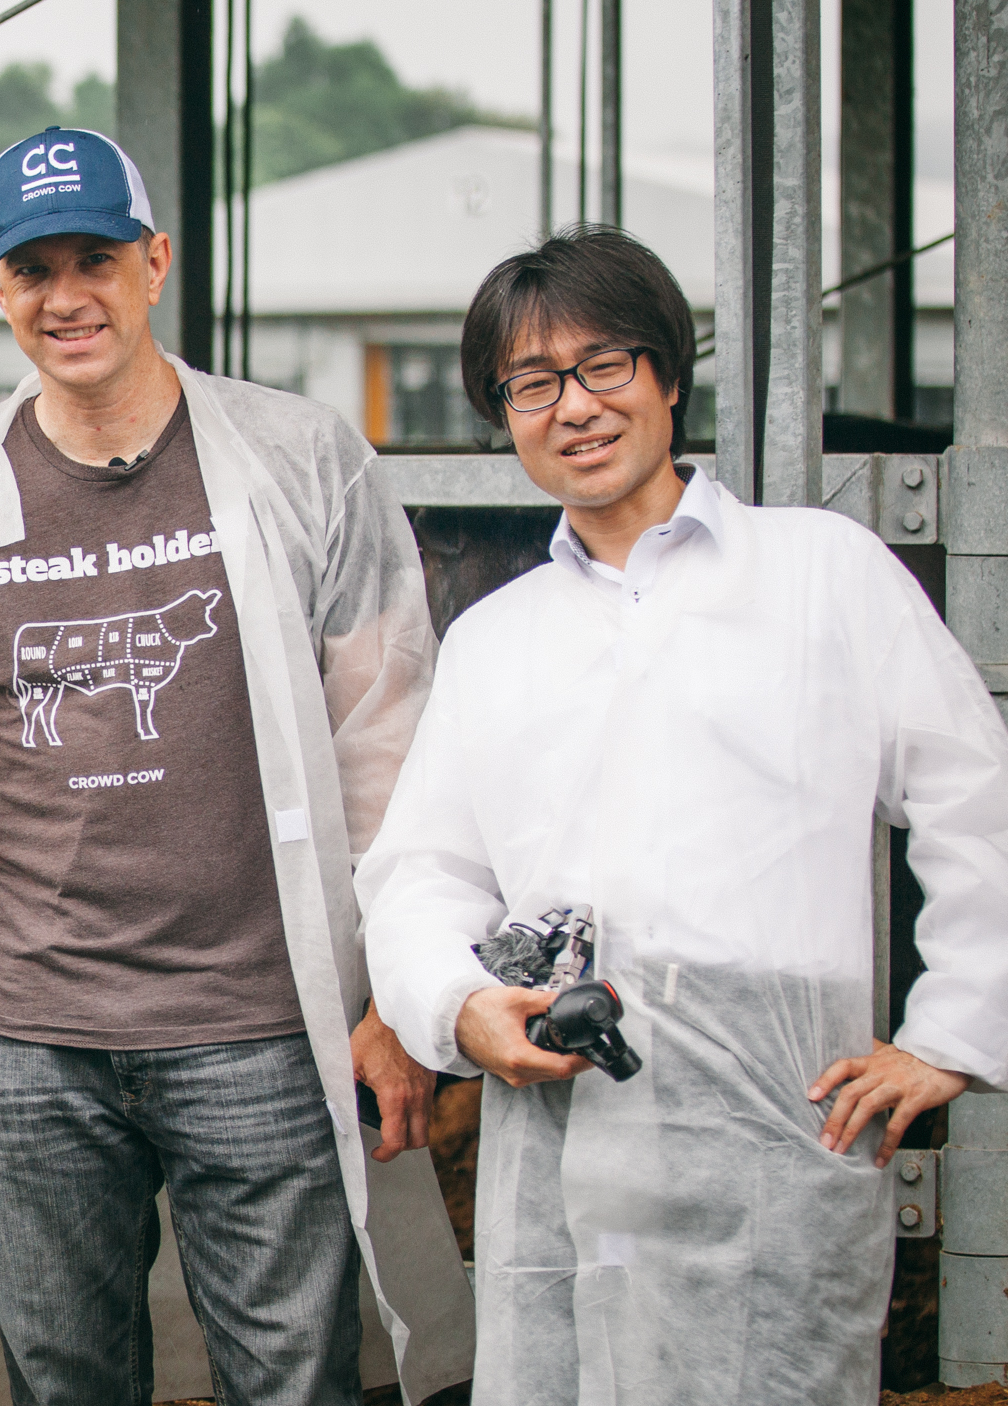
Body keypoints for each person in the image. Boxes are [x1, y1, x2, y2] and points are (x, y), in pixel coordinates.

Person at [0, 126, 476, 1406]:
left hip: (262, 1026)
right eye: (33, 269)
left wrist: (391, 997)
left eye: (96, 258)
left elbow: (389, 745)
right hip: (24, 1043)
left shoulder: (297, 462)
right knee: (64, 1380)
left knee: (293, 1375)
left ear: (154, 261)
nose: (66, 296)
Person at [358, 226, 1008, 1405]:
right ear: (504, 415)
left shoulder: (822, 574)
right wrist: (459, 1007)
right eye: (533, 383)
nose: (575, 406)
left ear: (665, 375)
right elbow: (420, 872)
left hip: (772, 1127)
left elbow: (977, 801)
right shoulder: (499, 639)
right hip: (560, 1127)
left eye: (604, 365)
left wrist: (950, 1031)